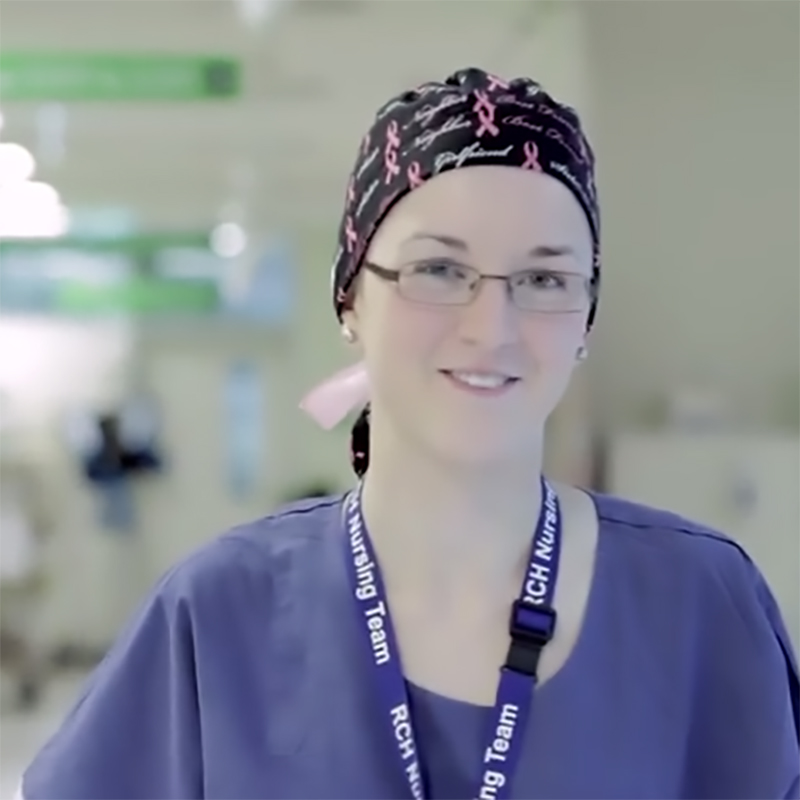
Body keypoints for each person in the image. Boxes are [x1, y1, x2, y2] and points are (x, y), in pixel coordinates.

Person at [20, 68, 799, 800]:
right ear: (350, 297)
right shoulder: (220, 615)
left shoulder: (701, 604)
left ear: (587, 316)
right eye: (438, 270)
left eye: (544, 280)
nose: (491, 328)